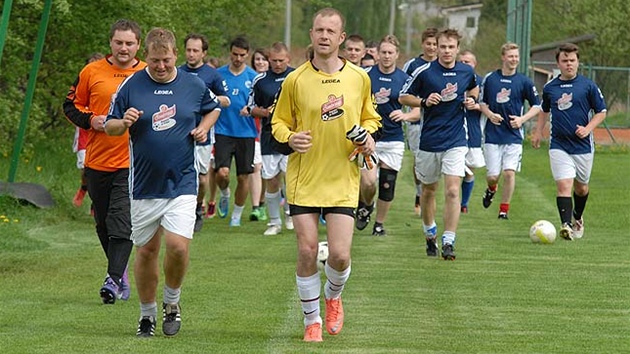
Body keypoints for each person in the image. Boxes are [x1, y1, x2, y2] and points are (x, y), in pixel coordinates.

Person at [271, 7, 381, 342]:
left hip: (342, 177)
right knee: (306, 251)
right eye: (319, 30)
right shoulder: (295, 78)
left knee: (340, 254)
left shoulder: (359, 78)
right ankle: (312, 322)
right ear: (311, 34)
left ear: (341, 37)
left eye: (331, 32)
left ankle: (333, 295)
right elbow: (278, 123)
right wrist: (290, 137)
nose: (324, 36)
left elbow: (371, 119)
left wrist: (367, 136)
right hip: (304, 178)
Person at [104, 27, 221, 337]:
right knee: (146, 252)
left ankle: (172, 302)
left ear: (175, 56)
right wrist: (123, 122)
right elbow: (110, 127)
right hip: (144, 185)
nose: (160, 66)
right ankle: (146, 315)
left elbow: (214, 109)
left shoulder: (192, 84)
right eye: (154, 61)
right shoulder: (132, 85)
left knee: (178, 247)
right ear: (147, 58)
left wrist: (203, 128)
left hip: (182, 181)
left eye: (166, 60)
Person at [63, 19, 145, 304]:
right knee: (103, 223)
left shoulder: (146, 73)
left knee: (120, 221)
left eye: (129, 43)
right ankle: (119, 271)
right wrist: (91, 120)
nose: (124, 48)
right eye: (119, 42)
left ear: (138, 45)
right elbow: (70, 106)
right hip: (98, 160)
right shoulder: (91, 72)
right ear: (110, 42)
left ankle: (111, 279)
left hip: (132, 162)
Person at [399, 28, 478, 260]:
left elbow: (474, 88)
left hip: (456, 139)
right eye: (442, 46)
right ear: (437, 46)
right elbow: (403, 97)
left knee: (453, 190)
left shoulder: (466, 71)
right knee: (429, 190)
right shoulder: (424, 72)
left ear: (457, 49)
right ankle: (430, 232)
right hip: (429, 140)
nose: (445, 51)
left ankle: (449, 240)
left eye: (450, 47)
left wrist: (471, 100)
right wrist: (423, 101)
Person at [532, 43, 606, 240]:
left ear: (578, 62)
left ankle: (577, 217)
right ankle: (565, 225)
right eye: (564, 61)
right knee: (564, 185)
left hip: (583, 146)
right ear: (558, 63)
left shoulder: (588, 86)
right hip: (559, 144)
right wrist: (539, 131)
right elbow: (544, 110)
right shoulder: (550, 88)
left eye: (572, 60)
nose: (569, 64)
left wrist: (587, 129)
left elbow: (602, 111)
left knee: (581, 188)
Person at [357, 34, 419, 236]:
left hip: (393, 139)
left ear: (397, 55)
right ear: (376, 54)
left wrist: (406, 115)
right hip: (370, 137)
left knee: (387, 183)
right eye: (382, 52)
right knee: (368, 182)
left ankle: (379, 224)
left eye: (390, 53)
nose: (386, 56)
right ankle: (365, 204)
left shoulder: (405, 79)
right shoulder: (365, 75)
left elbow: (420, 108)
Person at [478, 42, 541, 219]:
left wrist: (522, 119)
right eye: (510, 56)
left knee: (509, 172)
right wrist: (490, 115)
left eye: (516, 56)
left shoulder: (524, 81)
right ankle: (491, 189)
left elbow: (537, 106)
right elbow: (482, 103)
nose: (514, 59)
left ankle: (503, 209)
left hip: (513, 136)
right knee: (492, 176)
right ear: (503, 57)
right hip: (492, 135)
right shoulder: (490, 79)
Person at [179, 33, 231, 233]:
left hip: (203, 135)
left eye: (195, 51)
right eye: (188, 50)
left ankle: (198, 208)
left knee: (201, 179)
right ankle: (183, 213)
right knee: (181, 175)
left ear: (204, 52)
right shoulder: (177, 72)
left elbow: (226, 101)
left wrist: (208, 98)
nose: (191, 54)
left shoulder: (212, 75)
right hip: (179, 134)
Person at [247, 42, 295, 236]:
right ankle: (274, 222)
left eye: (281, 61)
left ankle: (290, 215)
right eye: (273, 60)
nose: (277, 64)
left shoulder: (297, 77)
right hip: (269, 136)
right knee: (272, 180)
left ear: (288, 59)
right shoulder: (260, 80)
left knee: (291, 180)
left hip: (292, 136)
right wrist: (265, 112)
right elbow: (250, 108)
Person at [215, 36, 259, 226]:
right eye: (235, 54)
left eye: (242, 55)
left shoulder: (253, 78)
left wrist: (251, 110)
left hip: (246, 133)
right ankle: (224, 193)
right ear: (230, 53)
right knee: (222, 173)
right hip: (223, 130)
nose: (238, 58)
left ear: (247, 54)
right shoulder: (218, 75)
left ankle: (236, 215)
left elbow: (262, 104)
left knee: (243, 177)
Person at [402, 27, 438, 216]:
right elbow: (403, 91)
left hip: (439, 121)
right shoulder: (412, 65)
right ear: (422, 44)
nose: (432, 47)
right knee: (419, 159)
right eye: (428, 43)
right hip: (416, 121)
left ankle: (429, 194)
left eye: (435, 44)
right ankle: (419, 193)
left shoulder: (444, 65)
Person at [70, 52, 104, 209]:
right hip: (85, 133)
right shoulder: (82, 83)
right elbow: (72, 106)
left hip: (104, 134)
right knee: (86, 168)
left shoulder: (108, 84)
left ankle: (95, 202)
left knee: (100, 169)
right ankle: (84, 188)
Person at [458, 50, 485, 213]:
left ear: (474, 64)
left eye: (468, 62)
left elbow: (491, 107)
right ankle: (455, 199)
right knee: (456, 170)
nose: (464, 64)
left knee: (469, 170)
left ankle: (464, 203)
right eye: (461, 61)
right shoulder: (453, 81)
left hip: (474, 130)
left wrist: (477, 106)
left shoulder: (482, 83)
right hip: (454, 130)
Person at [245, 48, 270, 222]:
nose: (260, 62)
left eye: (263, 59)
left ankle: (262, 202)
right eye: (257, 59)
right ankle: (257, 206)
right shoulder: (252, 79)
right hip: (252, 131)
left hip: (269, 132)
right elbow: (248, 104)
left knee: (266, 171)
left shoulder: (275, 81)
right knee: (257, 168)